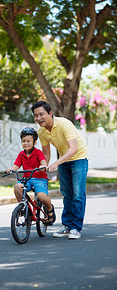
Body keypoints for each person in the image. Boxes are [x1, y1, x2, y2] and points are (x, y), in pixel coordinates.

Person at [31, 101, 88, 239]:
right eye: (36, 115)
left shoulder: (64, 124)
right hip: (64, 160)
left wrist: (56, 163)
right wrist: (42, 165)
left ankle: (76, 228)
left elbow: (73, 149)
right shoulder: (42, 131)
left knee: (77, 194)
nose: (39, 118)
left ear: (50, 113)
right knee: (67, 194)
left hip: (79, 158)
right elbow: (46, 154)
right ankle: (67, 225)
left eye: (41, 114)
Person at [6, 127, 56, 225]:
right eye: (23, 141)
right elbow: (16, 165)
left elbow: (43, 162)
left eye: (28, 141)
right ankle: (22, 210)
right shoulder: (21, 154)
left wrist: (43, 166)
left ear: (34, 142)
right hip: (27, 179)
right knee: (17, 187)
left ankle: (50, 209)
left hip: (40, 179)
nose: (26, 143)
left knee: (41, 196)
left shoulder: (38, 152)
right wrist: (11, 170)